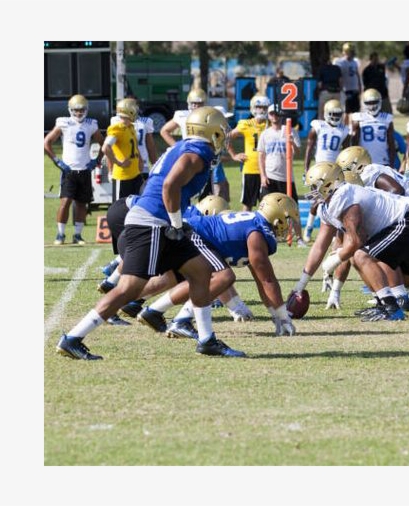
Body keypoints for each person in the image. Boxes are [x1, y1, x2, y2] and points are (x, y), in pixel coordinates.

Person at [56, 106, 246, 360]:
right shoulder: (197, 152)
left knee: (201, 272)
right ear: (211, 131)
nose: (225, 135)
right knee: (129, 289)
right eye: (222, 130)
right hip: (153, 223)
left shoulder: (183, 148)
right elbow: (169, 186)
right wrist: (177, 224)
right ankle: (73, 338)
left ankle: (207, 339)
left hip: (159, 221)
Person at [138, 193, 300, 340]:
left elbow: (261, 280)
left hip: (185, 233)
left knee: (204, 279)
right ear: (278, 218)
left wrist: (275, 315)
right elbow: (268, 281)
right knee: (224, 276)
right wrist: (283, 317)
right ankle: (181, 320)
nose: (289, 226)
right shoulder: (257, 233)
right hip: (190, 234)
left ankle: (153, 312)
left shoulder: (254, 226)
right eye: (289, 220)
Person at [292, 162, 409, 322]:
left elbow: (356, 241)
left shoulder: (343, 194)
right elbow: (319, 247)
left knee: (360, 255)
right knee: (358, 256)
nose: (312, 192)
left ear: (329, 184)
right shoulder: (327, 206)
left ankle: (392, 308)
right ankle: (386, 303)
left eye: (314, 187)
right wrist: (300, 285)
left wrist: (334, 260)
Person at [44, 94, 105, 245]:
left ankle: (77, 235)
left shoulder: (91, 124)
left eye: (82, 110)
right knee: (65, 202)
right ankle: (60, 234)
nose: (79, 113)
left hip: (84, 169)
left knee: (81, 203)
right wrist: (57, 161)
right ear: (70, 110)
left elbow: (104, 144)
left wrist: (96, 161)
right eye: (76, 110)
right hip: (69, 170)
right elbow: (47, 142)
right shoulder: (64, 123)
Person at [257, 105, 307, 246]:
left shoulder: (289, 130)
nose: (274, 116)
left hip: (286, 177)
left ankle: (299, 238)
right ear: (268, 115)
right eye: (272, 113)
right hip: (270, 176)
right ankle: (264, 237)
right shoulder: (265, 134)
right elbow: (261, 156)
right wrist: (263, 175)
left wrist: (292, 143)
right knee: (266, 208)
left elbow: (297, 153)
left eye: (277, 113)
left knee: (293, 209)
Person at [303, 99, 350, 242]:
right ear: (326, 113)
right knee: (317, 200)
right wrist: (306, 169)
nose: (335, 117)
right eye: (332, 114)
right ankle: (309, 228)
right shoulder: (318, 126)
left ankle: (336, 234)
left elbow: (346, 153)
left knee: (336, 202)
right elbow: (309, 149)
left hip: (335, 171)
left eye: (338, 114)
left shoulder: (344, 130)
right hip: (318, 170)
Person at [227, 94, 270, 211]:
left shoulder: (272, 124)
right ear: (253, 108)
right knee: (247, 205)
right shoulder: (246, 124)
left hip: (269, 171)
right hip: (250, 169)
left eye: (264, 107)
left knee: (267, 206)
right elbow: (226, 137)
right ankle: (244, 228)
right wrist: (233, 155)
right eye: (258, 107)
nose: (261, 110)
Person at [103, 98, 143, 202]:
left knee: (135, 207)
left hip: (135, 174)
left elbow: (133, 149)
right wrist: (118, 162)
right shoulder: (118, 128)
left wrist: (140, 161)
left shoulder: (130, 127)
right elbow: (106, 147)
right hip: (123, 176)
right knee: (120, 208)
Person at [111, 96, 158, 184]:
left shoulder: (145, 122)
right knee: (124, 196)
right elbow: (112, 147)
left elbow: (150, 146)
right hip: (125, 166)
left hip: (142, 166)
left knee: (141, 195)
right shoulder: (116, 121)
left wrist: (156, 166)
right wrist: (111, 169)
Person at [350, 88, 396, 167]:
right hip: (364, 162)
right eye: (369, 103)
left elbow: (391, 144)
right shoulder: (358, 118)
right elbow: (353, 144)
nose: (372, 106)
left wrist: (391, 165)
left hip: (383, 161)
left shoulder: (387, 118)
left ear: (380, 102)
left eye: (374, 102)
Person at [333, 43, 362, 121]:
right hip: (346, 90)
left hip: (354, 89)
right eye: (350, 52)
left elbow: (357, 74)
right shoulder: (340, 62)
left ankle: (354, 128)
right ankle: (345, 128)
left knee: (356, 112)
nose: (352, 53)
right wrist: (341, 88)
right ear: (346, 52)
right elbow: (340, 77)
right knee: (347, 111)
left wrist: (359, 86)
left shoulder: (355, 62)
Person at [316, 55, 343, 123]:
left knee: (322, 112)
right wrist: (340, 90)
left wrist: (318, 92)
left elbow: (320, 84)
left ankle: (321, 127)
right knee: (336, 110)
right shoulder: (337, 68)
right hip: (336, 92)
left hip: (326, 92)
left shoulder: (321, 69)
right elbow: (340, 81)